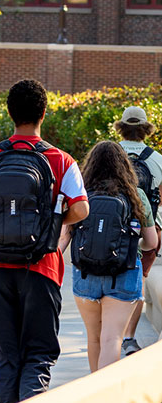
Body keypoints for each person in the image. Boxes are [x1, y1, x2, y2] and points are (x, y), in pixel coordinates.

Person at [0, 79, 89, 403]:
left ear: (9, 113)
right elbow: (82, 208)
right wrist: (51, 223)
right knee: (39, 354)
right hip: (42, 269)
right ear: (43, 113)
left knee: (7, 358)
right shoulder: (61, 160)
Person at [60, 141, 157, 371]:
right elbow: (151, 243)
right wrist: (131, 246)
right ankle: (107, 399)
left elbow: (65, 237)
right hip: (123, 274)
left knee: (94, 338)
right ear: (124, 166)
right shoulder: (137, 196)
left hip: (86, 275)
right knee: (111, 339)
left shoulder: (81, 195)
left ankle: (95, 391)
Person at [113, 106, 162, 355]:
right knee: (138, 282)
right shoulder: (157, 159)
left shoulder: (109, 153)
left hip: (111, 227)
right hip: (145, 230)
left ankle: (110, 333)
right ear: (145, 129)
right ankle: (129, 337)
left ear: (121, 126)